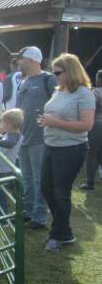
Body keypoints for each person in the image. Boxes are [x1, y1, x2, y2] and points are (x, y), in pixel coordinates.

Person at [38, 53, 95, 251]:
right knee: (46, 188)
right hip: (51, 145)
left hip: (71, 148)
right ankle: (65, 231)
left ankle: (58, 234)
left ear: (70, 71)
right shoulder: (59, 90)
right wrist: (47, 120)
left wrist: (55, 122)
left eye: (58, 72)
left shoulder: (84, 93)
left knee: (61, 192)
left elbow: (87, 125)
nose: (55, 76)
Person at [14, 46, 57, 230]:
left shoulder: (48, 79)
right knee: (26, 177)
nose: (18, 61)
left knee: (40, 178)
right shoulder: (24, 80)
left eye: (21, 58)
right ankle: (27, 211)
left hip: (40, 138)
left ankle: (39, 217)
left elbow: (58, 104)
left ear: (31, 60)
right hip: (23, 137)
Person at [0, 109, 24, 217]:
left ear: (10, 124)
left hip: (4, 171)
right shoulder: (10, 133)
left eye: (3, 122)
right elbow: (3, 137)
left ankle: (1, 219)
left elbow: (9, 143)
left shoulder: (13, 136)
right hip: (1, 169)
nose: (1, 124)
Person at [81, 69, 102, 190]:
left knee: (92, 154)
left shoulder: (96, 92)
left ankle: (90, 182)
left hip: (97, 125)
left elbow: (90, 108)